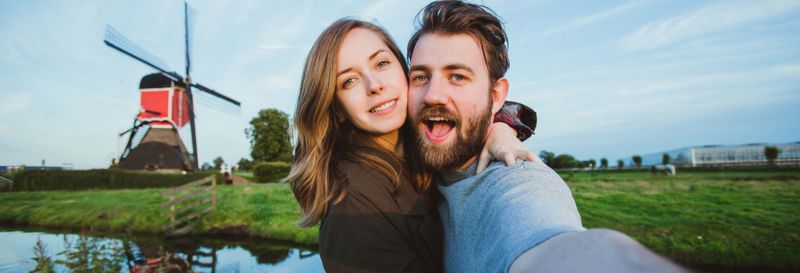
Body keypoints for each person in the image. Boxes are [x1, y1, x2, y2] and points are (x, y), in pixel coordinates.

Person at [405, 1, 688, 273]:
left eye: (457, 77)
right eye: (420, 77)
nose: (433, 95)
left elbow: (555, 243)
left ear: (495, 96)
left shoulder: (517, 181)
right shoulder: (406, 160)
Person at [288, 18, 537, 273]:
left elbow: (472, 105)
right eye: (349, 81)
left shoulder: (422, 138)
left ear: (406, 71)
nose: (375, 86)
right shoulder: (353, 203)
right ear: (337, 108)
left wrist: (500, 128)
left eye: (382, 63)